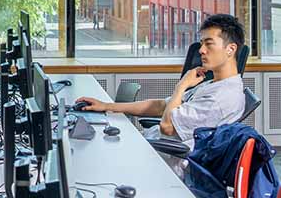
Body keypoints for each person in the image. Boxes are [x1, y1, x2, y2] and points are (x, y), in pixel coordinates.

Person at [76, 14, 245, 173]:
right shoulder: (213, 84)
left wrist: (182, 86)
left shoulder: (222, 98)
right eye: (201, 43)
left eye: (209, 43)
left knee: (89, 157)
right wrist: (106, 106)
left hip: (165, 161)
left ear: (230, 49)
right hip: (152, 145)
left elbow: (167, 127)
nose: (201, 50)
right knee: (90, 145)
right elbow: (162, 106)